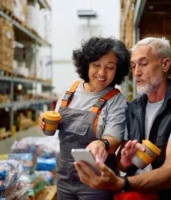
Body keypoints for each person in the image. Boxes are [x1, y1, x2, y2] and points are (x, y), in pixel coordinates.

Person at [74, 37, 171, 200]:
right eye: (133, 66)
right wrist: (126, 161)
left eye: (143, 63)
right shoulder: (133, 108)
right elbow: (122, 163)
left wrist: (121, 183)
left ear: (165, 64)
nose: (136, 73)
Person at [39, 37, 130, 200]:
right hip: (64, 178)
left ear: (118, 71)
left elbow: (114, 138)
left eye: (110, 67)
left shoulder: (116, 100)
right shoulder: (71, 90)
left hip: (97, 181)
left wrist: (102, 143)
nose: (102, 73)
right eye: (96, 65)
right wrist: (46, 123)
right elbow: (53, 127)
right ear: (86, 64)